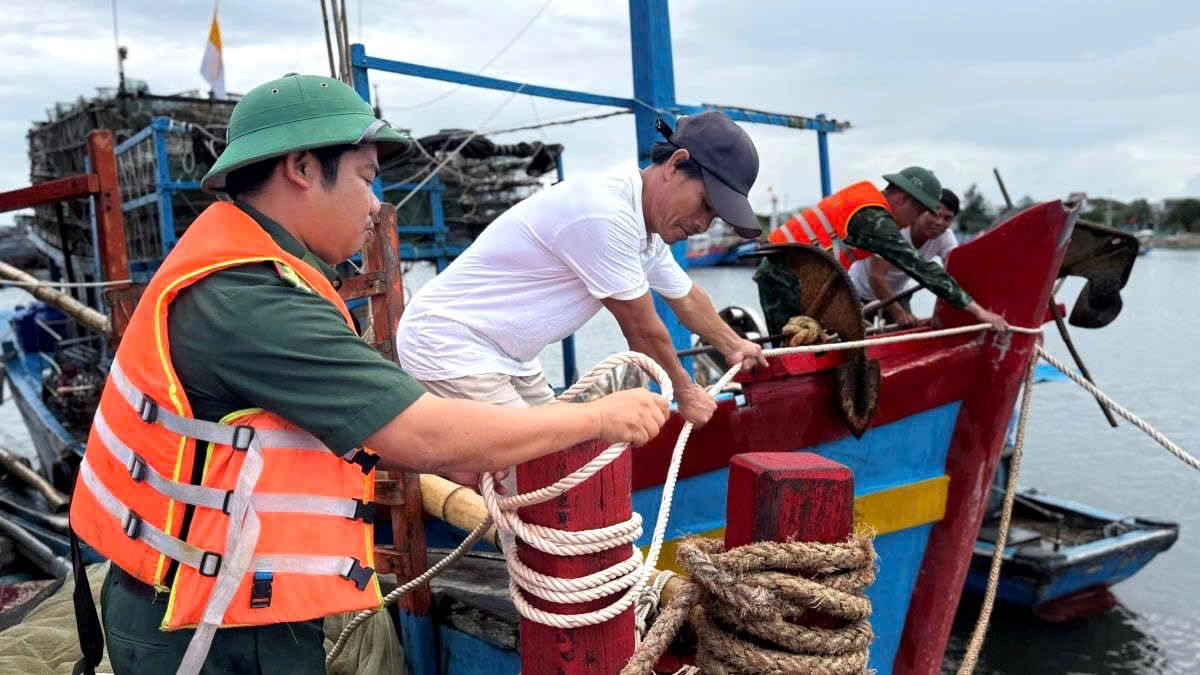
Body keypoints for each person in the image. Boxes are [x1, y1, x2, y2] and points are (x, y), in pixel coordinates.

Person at [67, 74, 668, 675]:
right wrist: (594, 417)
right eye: (365, 177)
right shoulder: (253, 300)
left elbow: (348, 425)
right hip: (210, 631)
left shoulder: (242, 268)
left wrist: (464, 457)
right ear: (303, 168)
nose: (377, 205)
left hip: (201, 598)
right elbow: (420, 432)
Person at [395, 111, 768, 429]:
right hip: (451, 340)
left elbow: (687, 298)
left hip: (510, 355)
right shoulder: (606, 214)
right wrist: (685, 393)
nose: (703, 224)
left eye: (714, 217)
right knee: (532, 467)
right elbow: (642, 330)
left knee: (563, 462)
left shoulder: (645, 226)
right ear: (674, 165)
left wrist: (733, 345)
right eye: (705, 204)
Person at [752, 167, 1008, 336]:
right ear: (902, 199)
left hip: (798, 276)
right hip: (784, 278)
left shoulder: (867, 200)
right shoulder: (873, 219)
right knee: (794, 348)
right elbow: (919, 267)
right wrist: (978, 311)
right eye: (919, 212)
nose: (915, 220)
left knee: (815, 342)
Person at [848, 188, 960, 326]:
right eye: (934, 214)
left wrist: (939, 314)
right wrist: (899, 314)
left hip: (896, 293)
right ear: (920, 212)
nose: (939, 222)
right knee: (857, 335)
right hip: (859, 292)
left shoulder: (945, 237)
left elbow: (955, 275)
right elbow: (875, 277)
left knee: (912, 328)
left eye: (947, 218)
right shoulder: (895, 229)